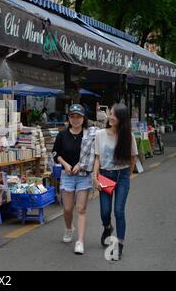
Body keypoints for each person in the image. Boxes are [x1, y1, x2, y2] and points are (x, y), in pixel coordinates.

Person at [93, 103, 138, 260]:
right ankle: (107, 227)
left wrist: (128, 175)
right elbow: (97, 158)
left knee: (119, 211)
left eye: (115, 115)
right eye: (110, 114)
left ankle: (119, 246)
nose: (111, 117)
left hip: (123, 176)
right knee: (105, 212)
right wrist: (95, 177)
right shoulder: (100, 134)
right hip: (105, 176)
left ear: (122, 119)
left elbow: (133, 158)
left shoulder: (128, 136)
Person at [52, 104, 97, 255]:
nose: (76, 120)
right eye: (73, 116)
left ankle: (80, 241)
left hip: (83, 175)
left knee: (81, 209)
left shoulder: (89, 135)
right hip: (67, 175)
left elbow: (92, 154)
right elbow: (55, 153)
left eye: (79, 116)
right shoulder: (62, 135)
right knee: (67, 209)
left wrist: (79, 165)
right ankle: (68, 228)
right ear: (69, 118)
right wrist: (65, 165)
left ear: (84, 118)